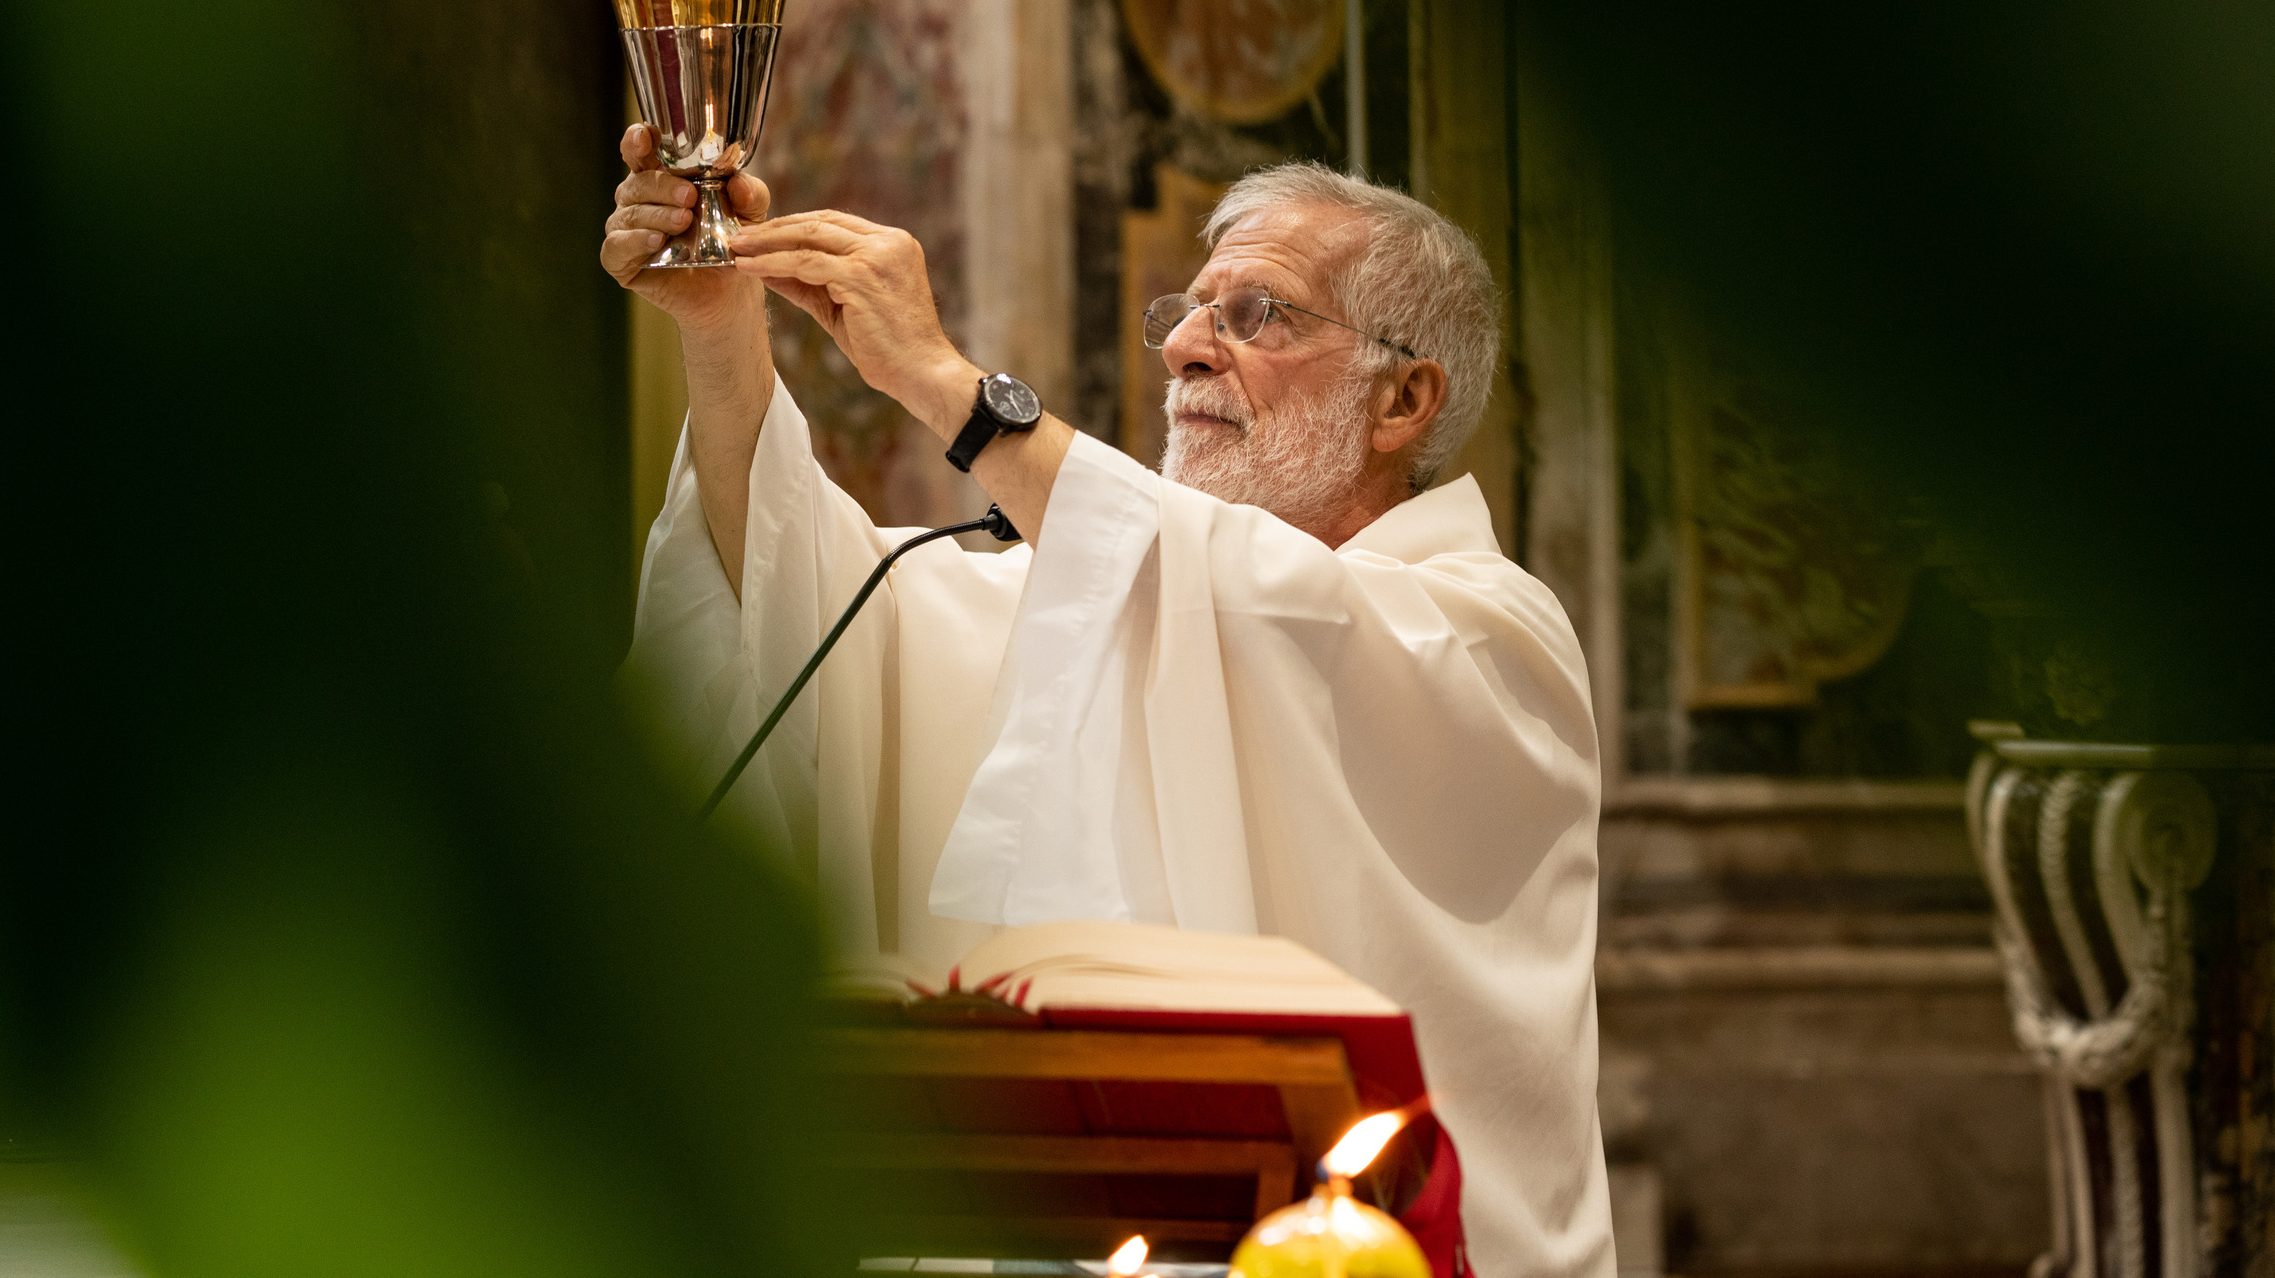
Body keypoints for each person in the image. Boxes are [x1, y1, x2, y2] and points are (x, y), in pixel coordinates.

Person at [611, 126, 1612, 1278]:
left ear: (1403, 399)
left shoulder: (1491, 641)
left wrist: (945, 384)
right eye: (1188, 310)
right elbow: (790, 604)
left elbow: (1279, 613)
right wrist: (723, 331)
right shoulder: (1088, 605)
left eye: (1258, 315)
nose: (1185, 346)